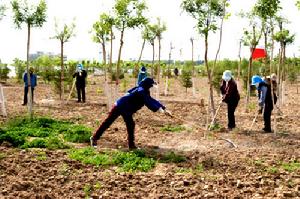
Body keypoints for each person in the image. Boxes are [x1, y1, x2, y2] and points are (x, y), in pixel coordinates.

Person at [90, 77, 171, 149]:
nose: (152, 86)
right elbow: (148, 102)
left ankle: (131, 145)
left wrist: (163, 108)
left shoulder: (143, 89)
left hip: (126, 108)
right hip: (120, 106)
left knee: (130, 125)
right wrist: (159, 109)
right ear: (147, 85)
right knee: (108, 122)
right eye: (151, 85)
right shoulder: (141, 91)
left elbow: (151, 99)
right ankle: (94, 138)